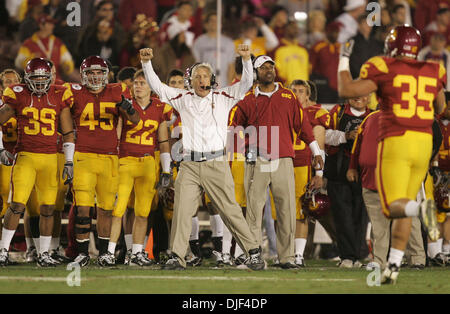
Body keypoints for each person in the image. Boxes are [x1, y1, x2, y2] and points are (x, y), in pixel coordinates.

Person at [139, 44, 265, 271]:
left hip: (216, 162)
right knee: (181, 211)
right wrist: (146, 64)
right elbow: (157, 86)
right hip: (189, 164)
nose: (201, 79)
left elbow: (246, 83)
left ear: (212, 78)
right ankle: (177, 256)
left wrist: (246, 60)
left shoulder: (224, 96)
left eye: (205, 75)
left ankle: (253, 252)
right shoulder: (182, 98)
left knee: (230, 210)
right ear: (190, 81)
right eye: (197, 76)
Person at [337, 25, 446, 283]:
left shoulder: (383, 65)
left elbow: (347, 91)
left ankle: (420, 207)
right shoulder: (434, 69)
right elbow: (440, 107)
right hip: (423, 141)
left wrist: (343, 58)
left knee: (392, 206)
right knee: (403, 208)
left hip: (397, 140)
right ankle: (394, 264)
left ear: (392, 45)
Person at [232, 55, 324, 269]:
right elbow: (234, 127)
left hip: (283, 159)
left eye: (271, 66)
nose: (269, 70)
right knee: (254, 211)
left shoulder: (288, 96)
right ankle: (253, 256)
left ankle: (287, 257)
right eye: (263, 68)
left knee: (287, 210)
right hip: (257, 160)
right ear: (255, 73)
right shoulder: (246, 99)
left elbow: (303, 127)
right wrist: (244, 149)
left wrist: (315, 151)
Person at [66, 55, 140, 268]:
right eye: (91, 72)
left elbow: (135, 121)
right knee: (83, 208)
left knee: (106, 209)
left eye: (99, 72)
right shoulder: (74, 92)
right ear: (84, 75)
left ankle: (104, 253)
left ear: (106, 74)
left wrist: (126, 105)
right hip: (83, 157)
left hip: (109, 157)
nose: (96, 76)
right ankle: (81, 253)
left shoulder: (117, 91)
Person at [0, 58, 75, 267]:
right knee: (16, 206)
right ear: (27, 79)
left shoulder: (60, 94)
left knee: (48, 208)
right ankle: (3, 250)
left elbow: (68, 132)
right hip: (26, 157)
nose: (40, 83)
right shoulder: (18, 93)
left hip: (51, 159)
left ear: (50, 77)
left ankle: (44, 254)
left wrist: (69, 161)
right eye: (36, 78)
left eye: (44, 78)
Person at [107, 69, 172, 266]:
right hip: (125, 161)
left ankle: (136, 252)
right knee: (118, 211)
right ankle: (109, 252)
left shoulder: (160, 107)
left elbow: (163, 141)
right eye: (136, 83)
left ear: (151, 87)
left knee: (143, 212)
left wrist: (167, 169)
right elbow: (116, 137)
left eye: (143, 83)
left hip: (147, 164)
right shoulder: (126, 106)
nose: (138, 86)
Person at [347, 110, 426, 269]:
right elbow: (358, 145)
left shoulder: (408, 118)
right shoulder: (370, 118)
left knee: (407, 219)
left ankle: (417, 258)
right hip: (371, 180)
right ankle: (379, 261)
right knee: (378, 225)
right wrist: (352, 167)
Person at [325, 95, 372, 268]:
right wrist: (345, 136)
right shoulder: (337, 112)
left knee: (361, 215)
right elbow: (325, 135)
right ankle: (347, 256)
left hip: (365, 173)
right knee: (342, 215)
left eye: (364, 94)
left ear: (369, 98)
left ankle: (358, 255)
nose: (359, 97)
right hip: (338, 171)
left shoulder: (374, 115)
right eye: (355, 93)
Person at [289, 79, 330, 267]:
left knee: (301, 211)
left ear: (308, 95)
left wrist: (319, 174)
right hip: (280, 163)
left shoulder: (315, 114)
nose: (297, 94)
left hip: (302, 165)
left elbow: (319, 149)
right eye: (293, 90)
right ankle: (285, 252)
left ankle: (298, 255)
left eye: (301, 91)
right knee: (279, 211)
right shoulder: (281, 108)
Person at [15, 14, 75, 81]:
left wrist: (67, 67)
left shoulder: (57, 42)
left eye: (52, 24)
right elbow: (19, 63)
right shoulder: (28, 44)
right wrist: (32, 59)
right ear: (41, 25)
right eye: (49, 24)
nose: (53, 26)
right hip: (37, 84)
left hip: (56, 83)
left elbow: (68, 60)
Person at [192, 12, 236, 87]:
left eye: (217, 21)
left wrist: (229, 85)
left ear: (221, 24)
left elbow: (231, 66)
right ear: (206, 24)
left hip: (223, 84)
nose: (214, 23)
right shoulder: (199, 41)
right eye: (211, 20)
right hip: (205, 84)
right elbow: (196, 65)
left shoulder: (228, 43)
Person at [273, 21, 309, 86]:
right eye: (292, 27)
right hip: (286, 88)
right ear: (285, 29)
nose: (296, 30)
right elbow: (274, 69)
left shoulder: (303, 49)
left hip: (303, 89)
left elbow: (308, 69)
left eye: (296, 28)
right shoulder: (278, 49)